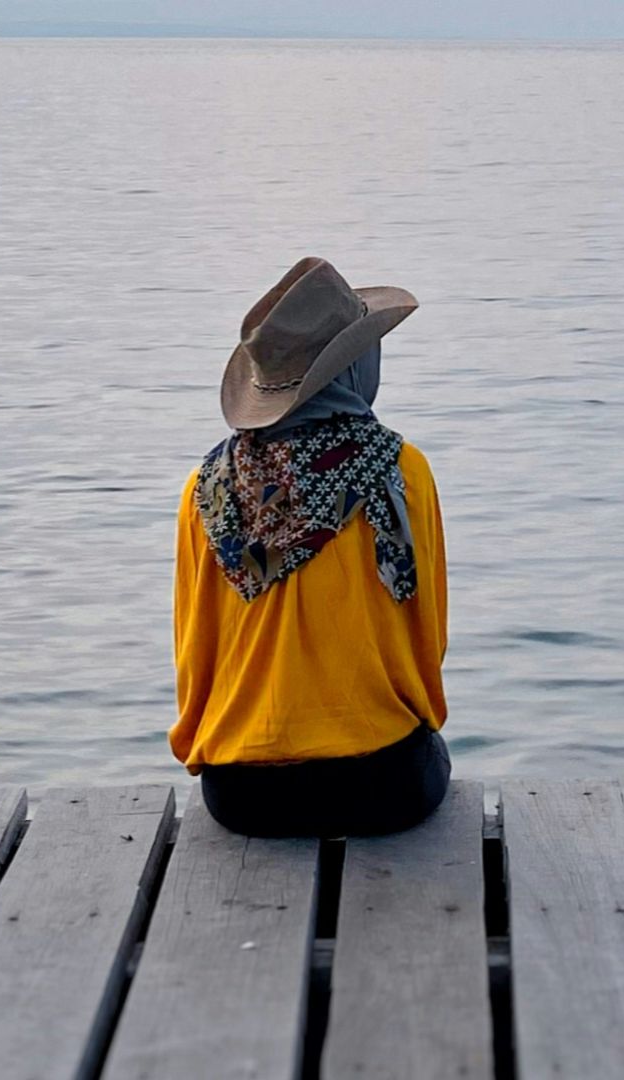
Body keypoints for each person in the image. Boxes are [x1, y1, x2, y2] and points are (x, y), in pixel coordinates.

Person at [170, 257, 450, 838]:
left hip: (241, 795)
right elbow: (428, 633)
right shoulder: (400, 469)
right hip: (382, 783)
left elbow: (192, 651)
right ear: (354, 367)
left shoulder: (206, 488)